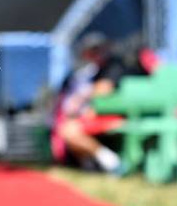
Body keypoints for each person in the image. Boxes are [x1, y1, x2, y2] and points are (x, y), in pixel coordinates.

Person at [52, 33, 149, 174]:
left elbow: (105, 88)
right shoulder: (97, 70)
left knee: (70, 131)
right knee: (67, 128)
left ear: (105, 48)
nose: (93, 54)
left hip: (121, 116)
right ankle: (96, 166)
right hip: (103, 115)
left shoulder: (115, 65)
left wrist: (81, 98)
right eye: (91, 51)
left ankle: (113, 164)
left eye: (96, 49)